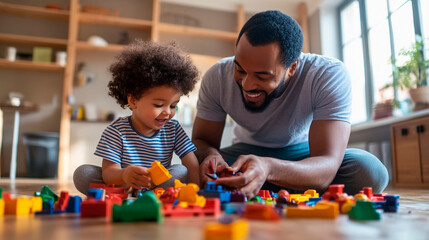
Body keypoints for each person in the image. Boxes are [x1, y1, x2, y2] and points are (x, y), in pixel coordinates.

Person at [192, 10, 389, 198]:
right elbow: (202, 141)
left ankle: (262, 182)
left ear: (292, 67)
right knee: (182, 174)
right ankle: (279, 184)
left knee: (369, 171)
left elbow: (327, 164)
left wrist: (269, 168)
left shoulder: (327, 74)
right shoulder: (217, 76)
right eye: (240, 70)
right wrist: (210, 156)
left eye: (262, 76)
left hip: (304, 155)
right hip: (243, 156)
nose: (247, 84)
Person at [73, 40, 200, 194]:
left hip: (157, 184)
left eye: (173, 106)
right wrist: (124, 175)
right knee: (83, 174)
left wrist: (196, 191)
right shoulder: (116, 131)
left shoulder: (173, 129)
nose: (168, 112)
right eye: (159, 105)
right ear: (133, 101)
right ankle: (128, 191)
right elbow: (108, 173)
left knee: (181, 171)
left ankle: (148, 193)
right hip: (122, 183)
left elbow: (191, 163)